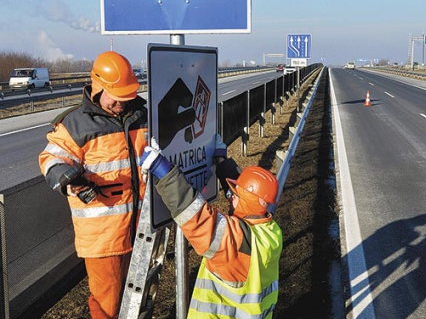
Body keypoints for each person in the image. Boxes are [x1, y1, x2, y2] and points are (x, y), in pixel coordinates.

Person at [39, 51, 148, 319]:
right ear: (98, 87)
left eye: (128, 95)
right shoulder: (75, 124)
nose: (123, 102)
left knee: (138, 296)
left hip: (142, 227)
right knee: (107, 302)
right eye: (118, 97)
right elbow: (51, 157)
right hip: (104, 236)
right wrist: (67, 176)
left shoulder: (143, 116)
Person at [140, 135, 283, 318]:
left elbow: (195, 214)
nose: (231, 197)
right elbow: (245, 197)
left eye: (235, 195)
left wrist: (162, 170)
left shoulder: (234, 243)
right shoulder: (270, 231)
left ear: (246, 203)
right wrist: (222, 161)